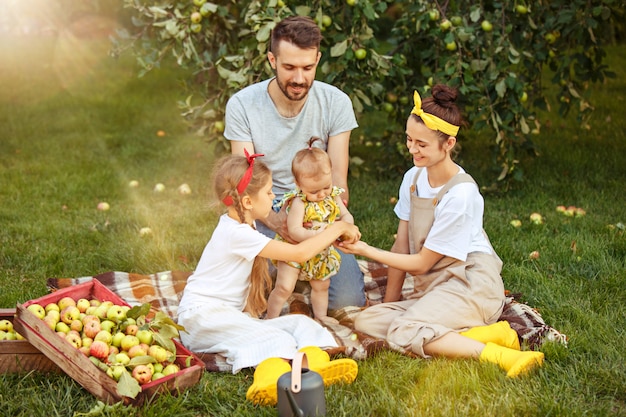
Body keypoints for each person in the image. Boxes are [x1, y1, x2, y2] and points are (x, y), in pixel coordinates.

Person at [338, 84, 545, 378]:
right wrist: (392, 303)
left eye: (421, 144)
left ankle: (498, 354)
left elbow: (421, 262)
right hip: (436, 285)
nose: (412, 149)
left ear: (448, 144)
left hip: (471, 285)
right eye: (409, 140)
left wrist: (364, 250)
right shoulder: (413, 178)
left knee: (404, 329)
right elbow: (401, 246)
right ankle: (483, 335)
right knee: (368, 321)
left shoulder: (461, 194)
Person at [177, 153, 360, 387]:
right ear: (247, 202)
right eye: (269, 192)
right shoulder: (237, 234)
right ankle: (269, 381)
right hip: (201, 319)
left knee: (301, 324)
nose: (274, 196)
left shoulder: (244, 224)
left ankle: (317, 366)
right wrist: (339, 227)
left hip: (222, 316)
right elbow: (300, 254)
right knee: (275, 338)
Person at [224, 15, 366, 311]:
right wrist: (285, 227)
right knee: (242, 298)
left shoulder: (336, 103)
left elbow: (339, 183)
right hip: (265, 209)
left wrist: (323, 228)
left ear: (318, 59)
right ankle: (285, 269)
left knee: (347, 303)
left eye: (307, 67)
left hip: (317, 208)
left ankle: (294, 270)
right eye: (289, 67)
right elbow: (244, 186)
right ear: (272, 60)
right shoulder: (242, 105)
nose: (299, 78)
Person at [267, 137, 355, 324]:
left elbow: (346, 215)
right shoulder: (299, 202)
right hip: (294, 249)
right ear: (298, 185)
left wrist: (346, 226)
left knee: (321, 286)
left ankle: (320, 316)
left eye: (326, 187)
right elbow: (294, 231)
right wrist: (318, 235)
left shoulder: (333, 196)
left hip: (320, 253)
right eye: (314, 191)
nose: (322, 194)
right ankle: (270, 318)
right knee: (284, 286)